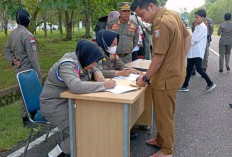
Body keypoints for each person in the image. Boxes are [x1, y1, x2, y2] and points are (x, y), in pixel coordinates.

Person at [131, 0, 191, 156]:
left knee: (165, 114)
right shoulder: (172, 15)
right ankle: (160, 139)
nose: (142, 18)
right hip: (172, 73)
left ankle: (167, 150)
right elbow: (187, 36)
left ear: (151, 6)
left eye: (141, 14)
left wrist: (145, 78)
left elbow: (158, 56)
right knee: (162, 110)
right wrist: (180, 59)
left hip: (166, 78)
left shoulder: (161, 23)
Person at [40, 40, 116, 157]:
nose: (94, 64)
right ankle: (55, 154)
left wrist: (97, 72)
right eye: (94, 62)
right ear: (87, 56)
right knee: (83, 130)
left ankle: (83, 149)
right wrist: (104, 85)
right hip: (54, 105)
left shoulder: (80, 59)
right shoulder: (67, 65)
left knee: (92, 123)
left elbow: (89, 68)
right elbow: (76, 86)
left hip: (69, 102)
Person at [3, 8, 41, 127]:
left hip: (18, 70)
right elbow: (33, 57)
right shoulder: (28, 35)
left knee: (26, 93)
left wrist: (13, 60)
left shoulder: (13, 33)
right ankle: (26, 119)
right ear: (27, 20)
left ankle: (32, 115)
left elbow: (6, 50)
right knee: (28, 94)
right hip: (28, 70)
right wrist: (38, 74)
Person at [178, 10, 216, 92]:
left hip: (197, 52)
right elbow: (192, 38)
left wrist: (187, 40)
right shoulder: (198, 27)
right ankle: (185, 86)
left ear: (203, 18)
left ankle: (210, 83)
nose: (195, 19)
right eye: (195, 17)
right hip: (192, 52)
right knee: (188, 69)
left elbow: (194, 39)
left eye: (197, 17)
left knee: (199, 69)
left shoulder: (203, 28)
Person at [191, 6, 214, 75]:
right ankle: (197, 69)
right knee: (199, 53)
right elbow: (193, 30)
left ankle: (201, 68)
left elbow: (211, 30)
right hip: (200, 39)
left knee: (203, 54)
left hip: (204, 39)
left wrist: (207, 35)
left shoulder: (208, 21)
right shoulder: (196, 21)